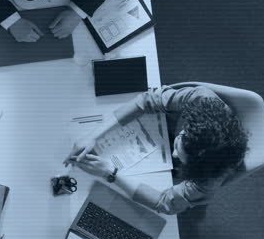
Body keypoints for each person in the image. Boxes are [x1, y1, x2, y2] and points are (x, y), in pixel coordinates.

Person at [67, 84, 249, 215]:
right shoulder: (200, 99)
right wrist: (93, 135)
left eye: (181, 156)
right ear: (188, 127)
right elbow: (148, 100)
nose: (174, 154)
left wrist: (109, 173)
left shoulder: (209, 180)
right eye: (178, 144)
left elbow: (164, 204)